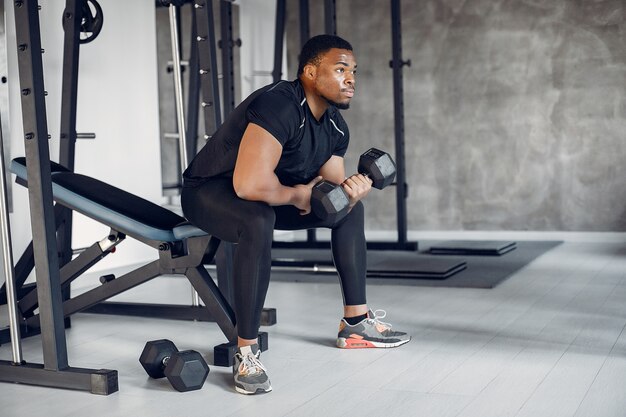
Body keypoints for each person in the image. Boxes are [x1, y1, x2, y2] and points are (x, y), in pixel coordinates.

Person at [181, 34, 410, 395]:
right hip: (209, 191)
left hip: (266, 194)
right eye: (339, 69)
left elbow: (329, 196)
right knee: (258, 220)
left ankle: (355, 324)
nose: (351, 79)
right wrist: (299, 194)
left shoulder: (336, 127)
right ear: (309, 72)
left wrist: (352, 192)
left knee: (349, 214)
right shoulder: (280, 105)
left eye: (354, 71)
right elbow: (247, 185)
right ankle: (246, 351)